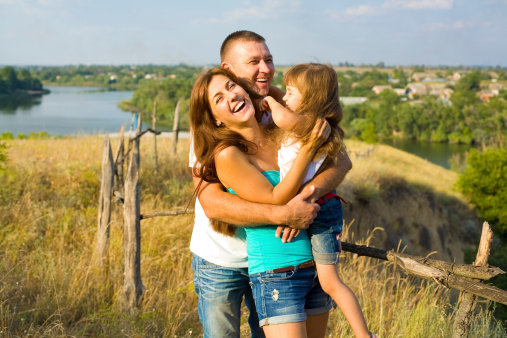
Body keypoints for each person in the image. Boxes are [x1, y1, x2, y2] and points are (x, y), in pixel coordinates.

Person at [189, 31, 352, 338]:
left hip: (283, 259)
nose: (264, 68)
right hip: (224, 260)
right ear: (229, 68)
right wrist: (285, 214)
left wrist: (308, 196)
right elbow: (212, 203)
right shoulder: (214, 135)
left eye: (268, 59)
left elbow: (339, 159)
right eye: (253, 61)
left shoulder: (277, 109)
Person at [259, 63, 374, 338]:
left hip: (322, 210)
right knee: (323, 278)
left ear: (311, 99)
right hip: (316, 206)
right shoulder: (309, 125)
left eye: (289, 92)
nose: (284, 98)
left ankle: (364, 335)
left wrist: (269, 101)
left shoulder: (310, 124)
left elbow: (283, 119)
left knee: (329, 281)